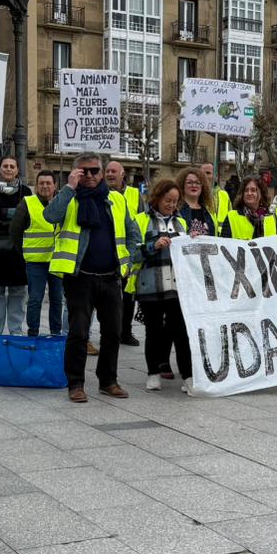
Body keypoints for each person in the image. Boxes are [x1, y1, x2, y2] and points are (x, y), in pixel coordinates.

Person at [46, 152, 141, 402]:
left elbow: (133, 233)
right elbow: (50, 216)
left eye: (94, 171)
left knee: (112, 332)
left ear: (101, 172)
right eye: (84, 171)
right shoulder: (69, 198)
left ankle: (108, 381)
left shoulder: (116, 200)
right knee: (78, 332)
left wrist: (129, 262)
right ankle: (75, 384)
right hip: (79, 277)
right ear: (76, 173)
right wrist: (68, 187)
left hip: (111, 277)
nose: (90, 175)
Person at [135, 179, 195, 394]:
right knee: (154, 332)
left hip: (178, 289)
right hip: (150, 286)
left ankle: (187, 376)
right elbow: (132, 252)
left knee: (181, 333)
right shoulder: (141, 220)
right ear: (158, 198)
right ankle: (153, 373)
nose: (171, 205)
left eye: (175, 201)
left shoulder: (181, 223)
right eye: (168, 200)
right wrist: (153, 246)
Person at [15, 170, 65, 336]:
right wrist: (23, 251)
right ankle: (33, 332)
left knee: (57, 299)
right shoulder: (27, 203)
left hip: (57, 261)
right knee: (35, 299)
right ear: (36, 186)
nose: (44, 186)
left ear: (55, 186)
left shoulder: (62, 203)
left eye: (48, 183)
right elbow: (15, 231)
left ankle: (55, 333)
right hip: (35, 262)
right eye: (41, 183)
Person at [0, 155, 29, 340]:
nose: (9, 169)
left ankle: (16, 330)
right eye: (5, 166)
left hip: (18, 249)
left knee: (18, 292)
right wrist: (12, 213)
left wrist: (0, 212)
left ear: (17, 170)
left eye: (12, 166)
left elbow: (28, 217)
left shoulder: (26, 192)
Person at [105, 160, 141, 348]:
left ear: (122, 174)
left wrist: (136, 252)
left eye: (114, 171)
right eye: (107, 171)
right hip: (107, 255)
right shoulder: (101, 193)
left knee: (128, 298)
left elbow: (141, 220)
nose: (110, 174)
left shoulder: (135, 194)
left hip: (128, 256)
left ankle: (125, 331)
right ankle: (111, 331)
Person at [175, 166, 221, 237]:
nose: (194, 185)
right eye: (189, 182)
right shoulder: (175, 209)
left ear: (203, 186)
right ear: (182, 185)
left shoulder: (209, 210)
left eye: (198, 182)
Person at [200, 161, 233, 226]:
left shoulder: (224, 195)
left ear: (215, 176)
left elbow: (230, 218)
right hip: (203, 234)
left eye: (208, 173)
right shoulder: (195, 195)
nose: (204, 176)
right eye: (201, 173)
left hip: (222, 235)